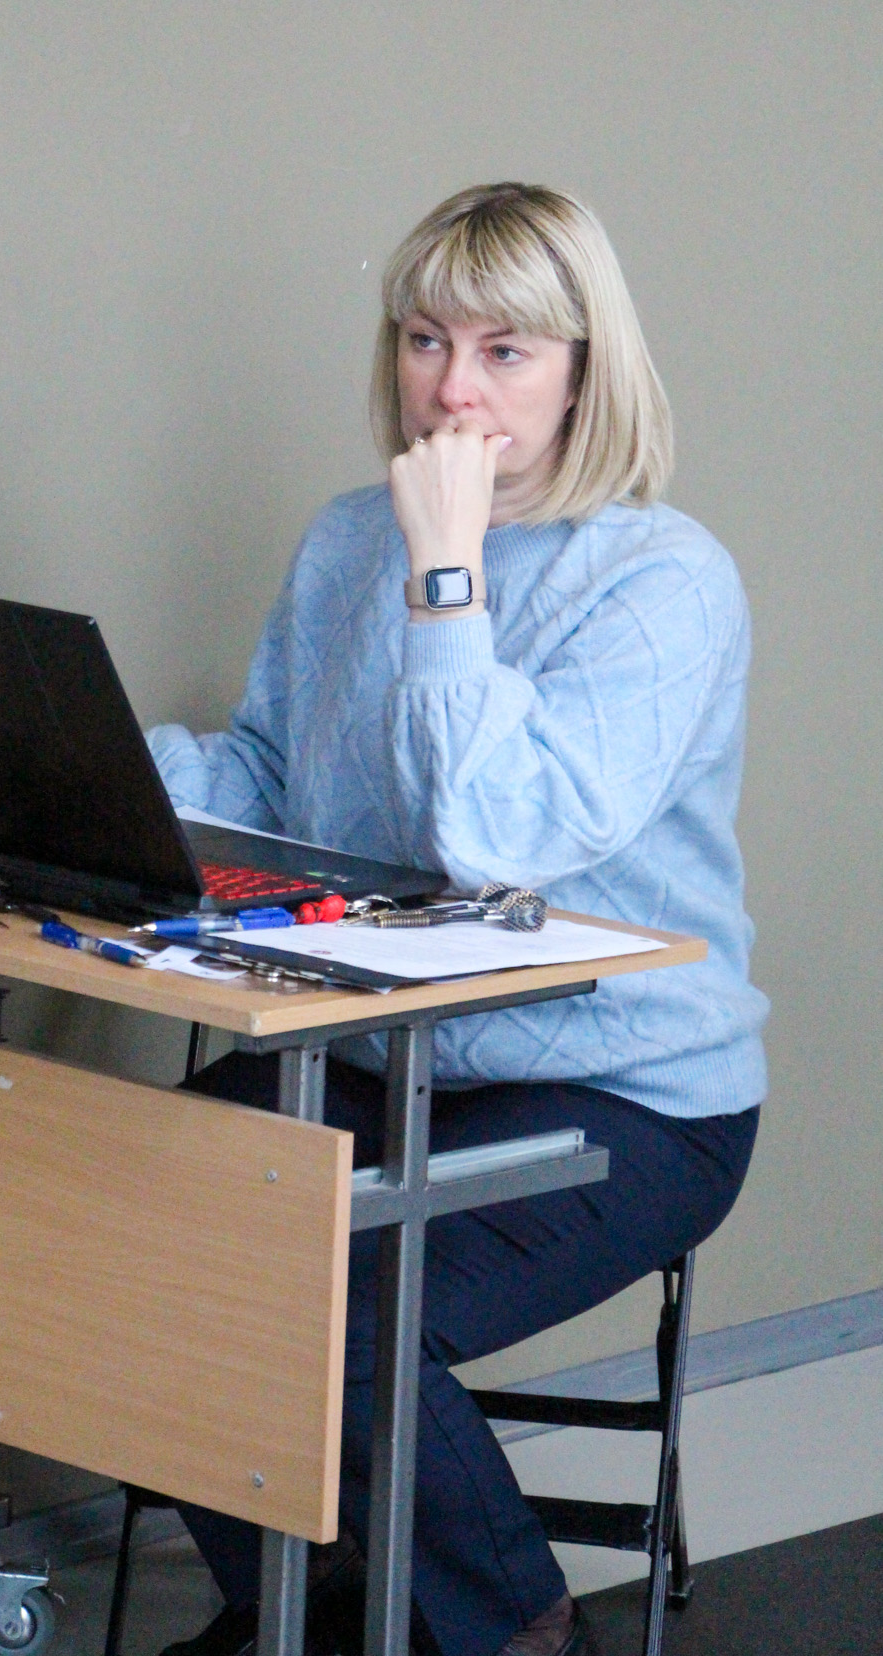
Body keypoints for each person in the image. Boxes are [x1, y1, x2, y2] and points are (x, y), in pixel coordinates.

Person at [147, 184, 768, 1656]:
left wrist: (449, 576)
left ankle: (513, 1633)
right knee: (140, 1228)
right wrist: (85, 773)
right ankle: (319, 1613)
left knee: (341, 1301)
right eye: (425, 340)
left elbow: (501, 838)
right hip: (380, 1055)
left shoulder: (661, 580)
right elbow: (273, 781)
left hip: (623, 1091)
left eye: (504, 351)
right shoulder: (344, 542)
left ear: (584, 371)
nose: (451, 388)